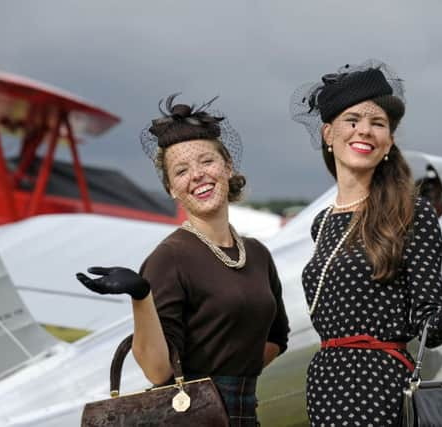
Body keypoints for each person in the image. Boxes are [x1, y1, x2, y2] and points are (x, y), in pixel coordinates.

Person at [290, 60, 442, 426]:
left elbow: (430, 329)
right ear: (328, 134)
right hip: (325, 384)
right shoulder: (321, 223)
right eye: (353, 121)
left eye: (378, 124)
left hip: (379, 386)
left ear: (388, 141)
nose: (366, 131)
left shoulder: (411, 213)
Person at [76, 94, 290, 426]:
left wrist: (234, 384)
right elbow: (157, 370)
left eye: (206, 161)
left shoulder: (257, 254)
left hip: (245, 416)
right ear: (172, 189)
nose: (197, 175)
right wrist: (141, 296)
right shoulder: (169, 258)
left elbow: (278, 338)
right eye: (181, 170)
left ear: (227, 166)